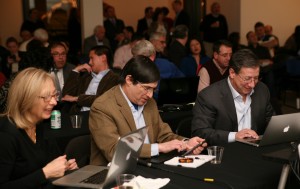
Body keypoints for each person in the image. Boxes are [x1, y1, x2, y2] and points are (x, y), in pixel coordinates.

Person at [89, 55, 206, 165]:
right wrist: (159, 148)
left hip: (148, 165)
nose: (150, 95)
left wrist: (185, 143)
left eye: (153, 89)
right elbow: (114, 151)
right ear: (129, 80)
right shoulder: (102, 107)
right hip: (113, 172)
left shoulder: (149, 103)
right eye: (146, 88)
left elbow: (163, 135)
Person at [0, 67, 78, 188]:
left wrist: (66, 167)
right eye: (46, 97)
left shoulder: (40, 124)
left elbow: (54, 161)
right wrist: (45, 173)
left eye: (54, 95)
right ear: (27, 98)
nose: (54, 102)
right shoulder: (6, 134)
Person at [192, 49, 274, 145]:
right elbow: (200, 132)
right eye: (247, 78)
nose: (252, 85)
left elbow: (271, 120)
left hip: (256, 149)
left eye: (256, 78)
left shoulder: (262, 90)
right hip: (226, 151)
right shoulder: (209, 96)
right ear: (232, 73)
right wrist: (234, 136)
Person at [62, 45, 119, 114]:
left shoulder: (114, 78)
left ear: (103, 58)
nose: (89, 62)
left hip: (98, 116)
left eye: (92, 58)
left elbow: (103, 99)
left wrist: (77, 98)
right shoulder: (87, 76)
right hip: (78, 114)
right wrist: (76, 70)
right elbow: (66, 95)